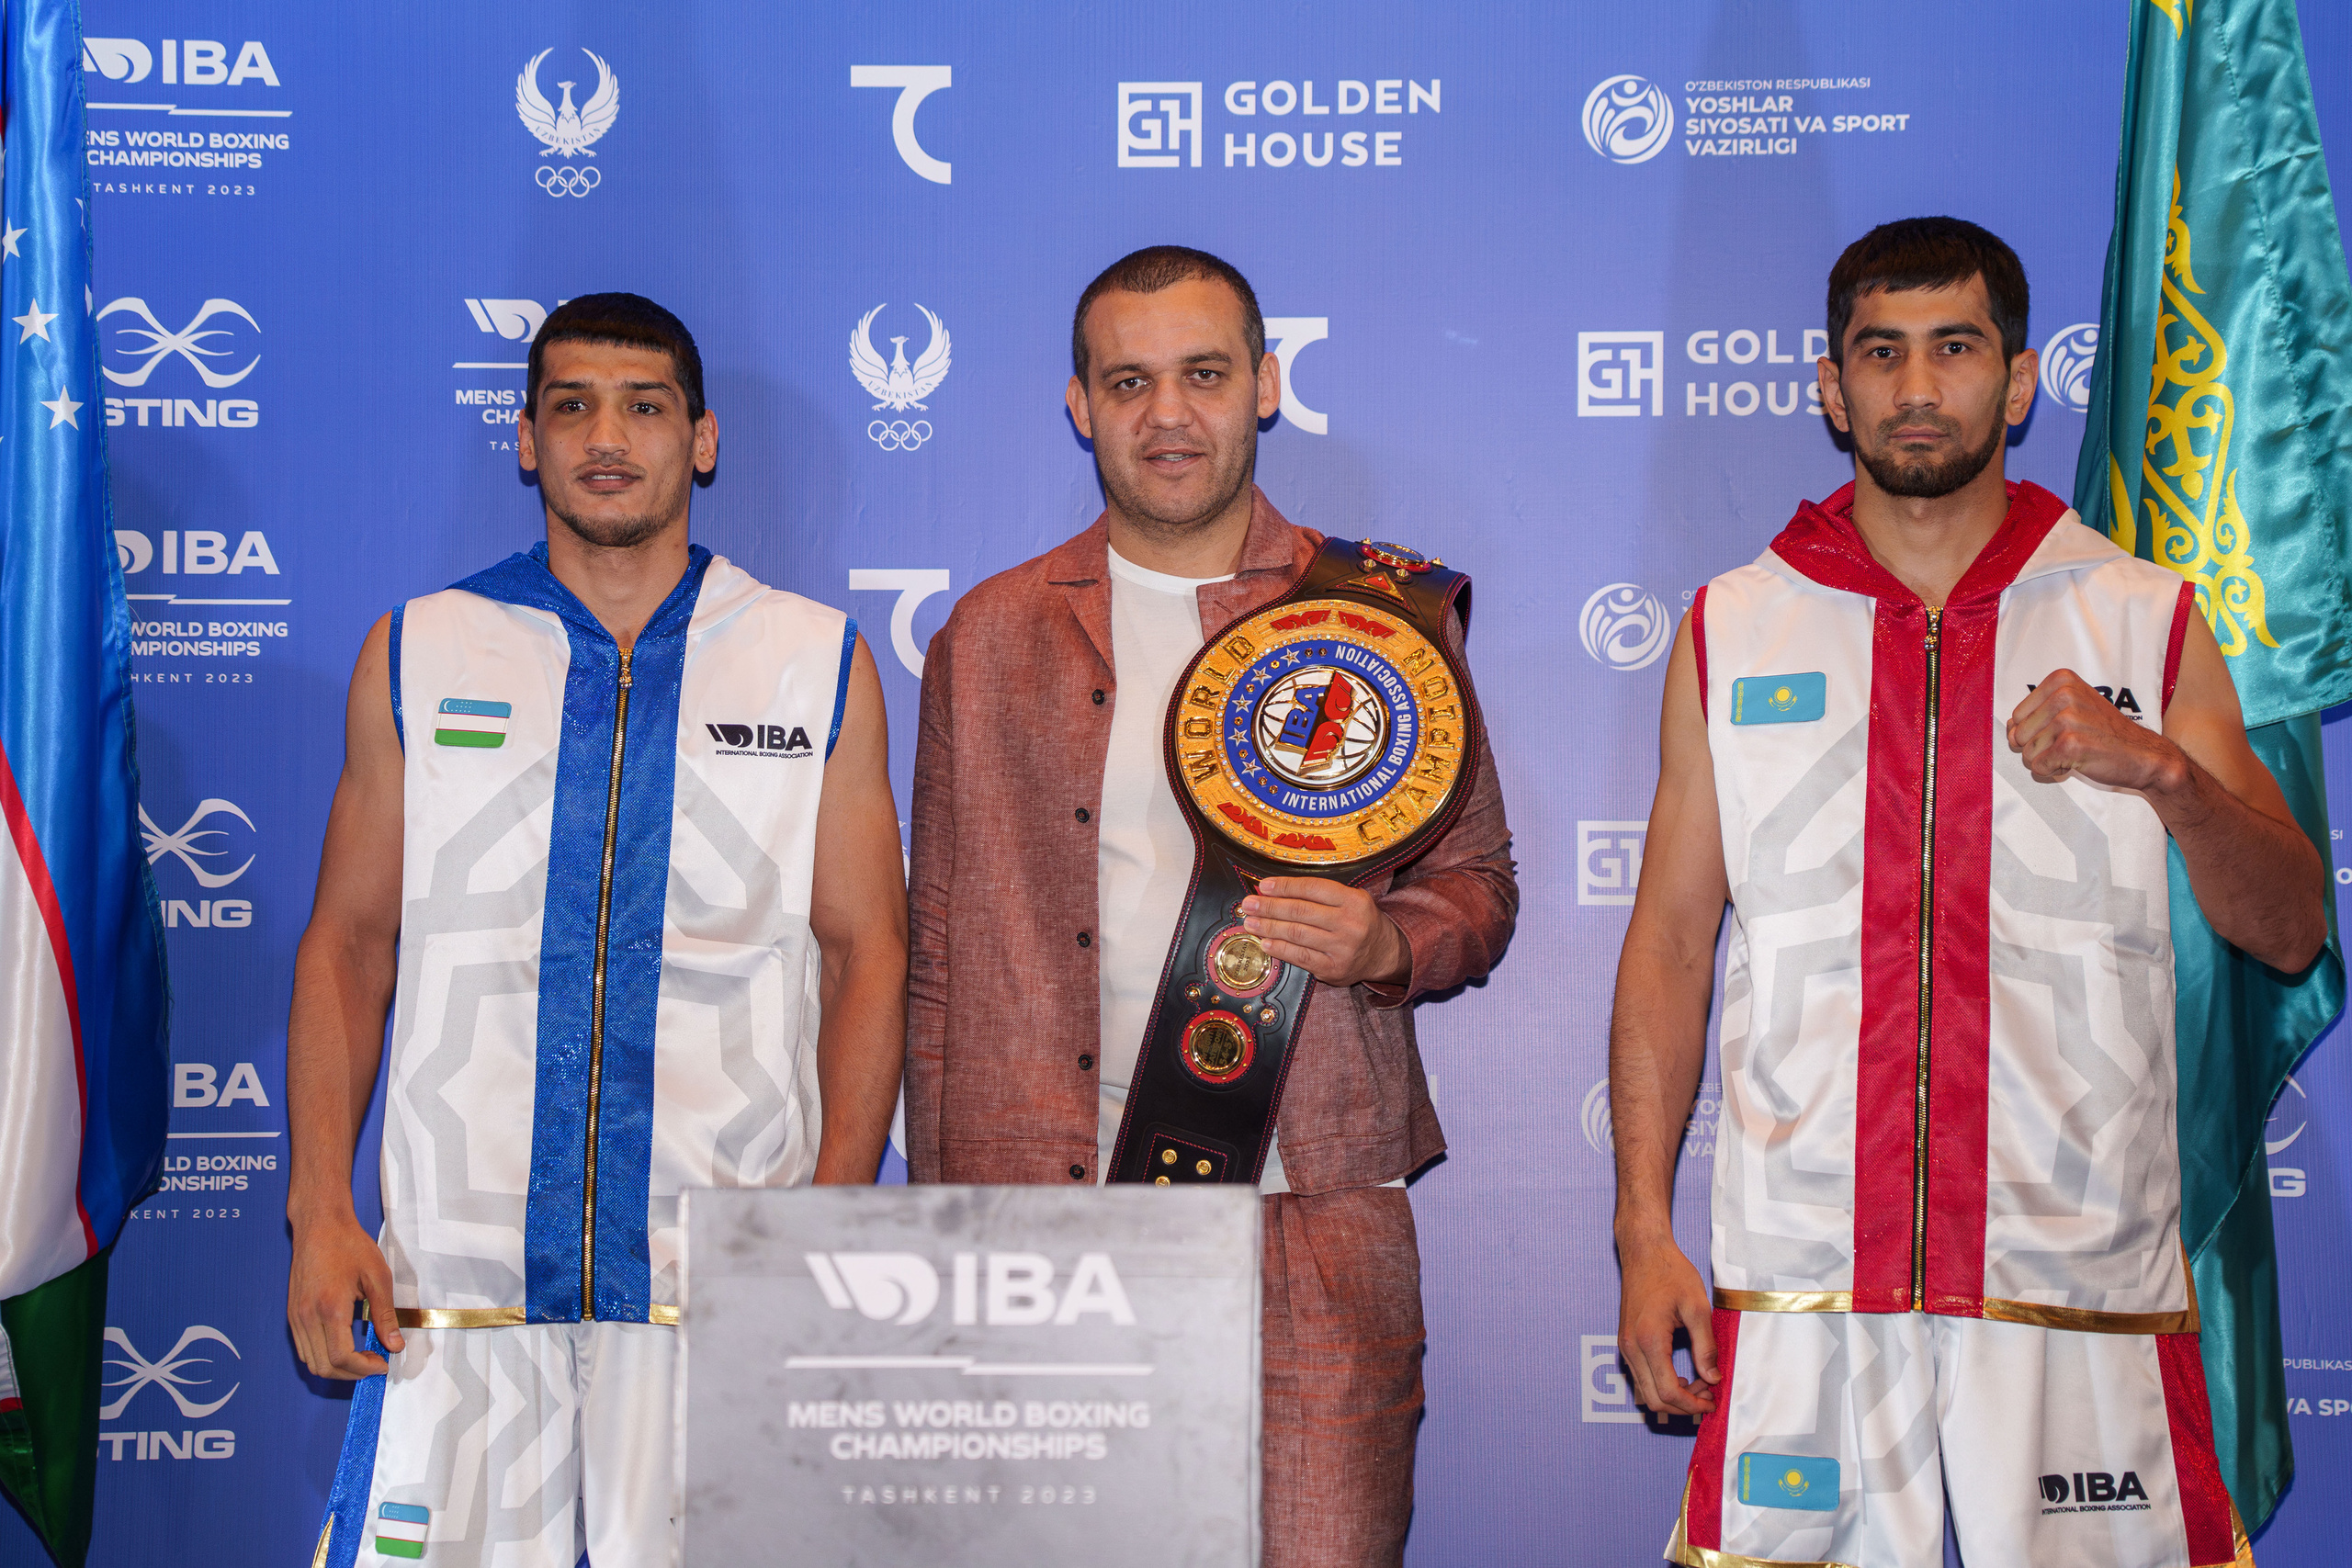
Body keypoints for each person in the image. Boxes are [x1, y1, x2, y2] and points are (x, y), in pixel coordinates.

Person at [1610, 217, 2327, 1568]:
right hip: (1810, 1282)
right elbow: (1667, 948)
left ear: (2021, 377)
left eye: (1955, 348)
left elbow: (2291, 928)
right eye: (1880, 354)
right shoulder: (1734, 622)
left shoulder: (2140, 614)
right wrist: (1642, 1233)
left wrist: (2164, 774)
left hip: (2078, 1283)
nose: (1918, 388)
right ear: (1831, 387)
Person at [904, 245, 1517, 1565]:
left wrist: (1389, 942)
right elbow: (939, 962)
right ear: (1080, 403)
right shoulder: (989, 636)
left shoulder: (1380, 618)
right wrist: (951, 1249)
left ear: (1266, 387)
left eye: (1202, 374)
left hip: (1315, 1222)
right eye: (1129, 381)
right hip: (1051, 1236)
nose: (1167, 414)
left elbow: (1480, 885)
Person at [284, 294, 907, 1567]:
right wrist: (319, 1216)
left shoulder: (812, 659)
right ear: (525, 440)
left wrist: (829, 1229)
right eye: (571, 406)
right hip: (455, 1299)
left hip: (716, 1295)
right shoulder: (419, 649)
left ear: (704, 440)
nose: (606, 437)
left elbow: (865, 954)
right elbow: (348, 945)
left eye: (645, 406)